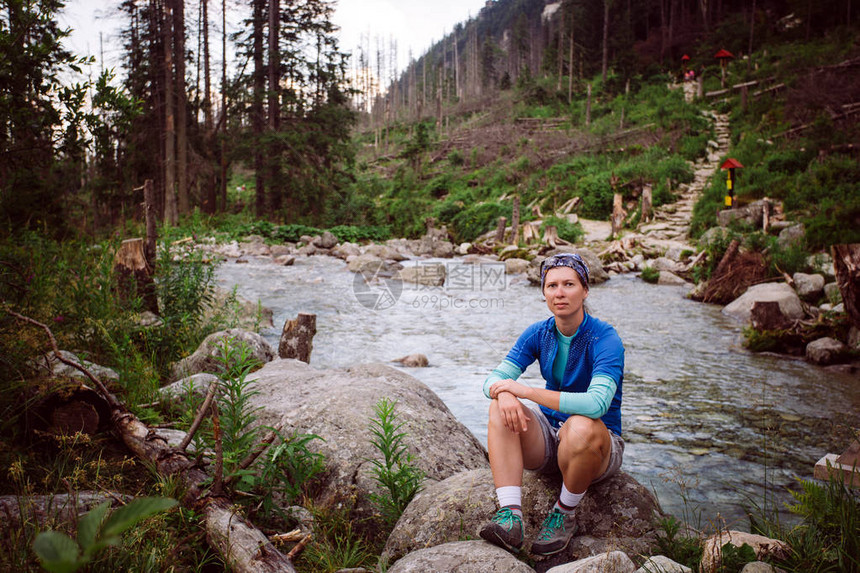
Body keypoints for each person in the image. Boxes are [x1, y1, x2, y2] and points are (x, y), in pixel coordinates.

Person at [478, 252, 625, 556]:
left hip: (597, 444)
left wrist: (526, 392)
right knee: (498, 408)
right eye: (552, 285)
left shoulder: (605, 338)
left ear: (585, 290)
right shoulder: (539, 332)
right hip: (550, 439)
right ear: (543, 292)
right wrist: (504, 392)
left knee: (579, 426)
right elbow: (492, 379)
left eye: (569, 284)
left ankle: (564, 513)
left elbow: (597, 404)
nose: (560, 293)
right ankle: (510, 518)